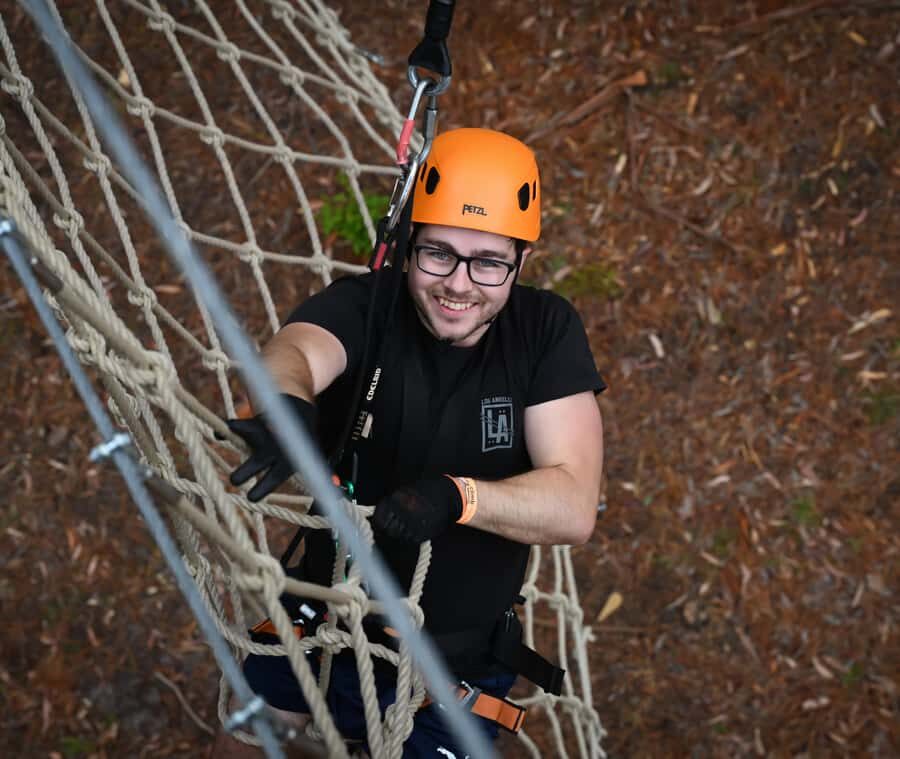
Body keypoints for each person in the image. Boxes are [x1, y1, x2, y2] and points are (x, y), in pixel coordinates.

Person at [216, 128, 605, 757]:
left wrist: (458, 498)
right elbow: (294, 353)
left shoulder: (544, 331)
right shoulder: (368, 306)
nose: (459, 284)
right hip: (319, 615)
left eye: (488, 262)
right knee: (244, 739)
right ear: (408, 246)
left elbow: (573, 504)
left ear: (521, 262)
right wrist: (285, 407)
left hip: (452, 666)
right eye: (438, 254)